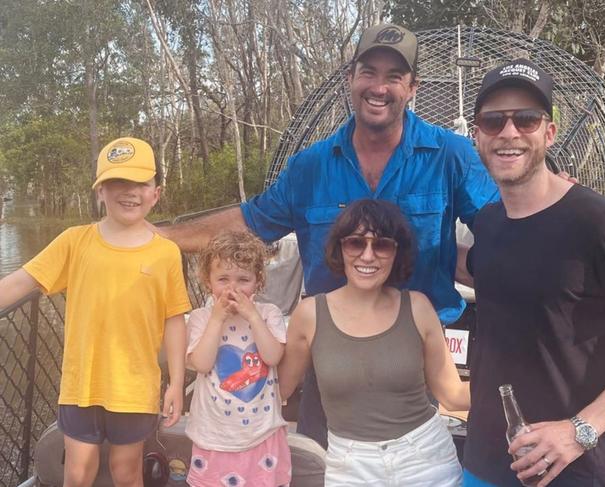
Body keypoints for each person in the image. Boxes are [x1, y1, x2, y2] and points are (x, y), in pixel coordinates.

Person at [157, 22, 498, 447]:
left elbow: (502, 227)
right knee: (319, 463)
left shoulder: (451, 155)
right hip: (328, 356)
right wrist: (156, 237)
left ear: (413, 88)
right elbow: (253, 221)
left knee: (411, 460)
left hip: (416, 356)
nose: (379, 87)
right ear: (349, 79)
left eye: (394, 77)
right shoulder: (310, 166)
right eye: (368, 72)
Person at [458, 59, 605, 486]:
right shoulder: (488, 224)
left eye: (525, 119)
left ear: (549, 132)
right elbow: (478, 270)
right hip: (484, 465)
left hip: (577, 470)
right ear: (478, 137)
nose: (509, 132)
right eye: (493, 121)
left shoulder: (599, 222)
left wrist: (581, 431)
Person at [0, 137, 191, 487]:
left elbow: (174, 319)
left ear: (156, 193)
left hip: (134, 386)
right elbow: (19, 282)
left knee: (126, 471)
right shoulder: (75, 241)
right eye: (117, 182)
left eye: (140, 183)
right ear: (100, 191)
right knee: (78, 471)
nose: (129, 192)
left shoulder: (166, 253)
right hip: (80, 383)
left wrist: (176, 382)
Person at [279, 199, 468, 486]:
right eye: (356, 243)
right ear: (340, 248)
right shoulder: (309, 315)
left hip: (425, 461)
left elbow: (453, 395)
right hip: (351, 467)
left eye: (381, 245)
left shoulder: (418, 308)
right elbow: (277, 389)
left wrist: (526, 385)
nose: (367, 256)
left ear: (396, 253)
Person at [185, 230, 291, 487]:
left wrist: (253, 317)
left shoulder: (268, 313)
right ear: (208, 281)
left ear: (258, 282)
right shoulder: (201, 318)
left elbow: (273, 356)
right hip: (213, 435)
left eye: (243, 279)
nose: (232, 289)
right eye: (223, 279)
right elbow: (201, 363)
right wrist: (217, 319)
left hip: (261, 433)